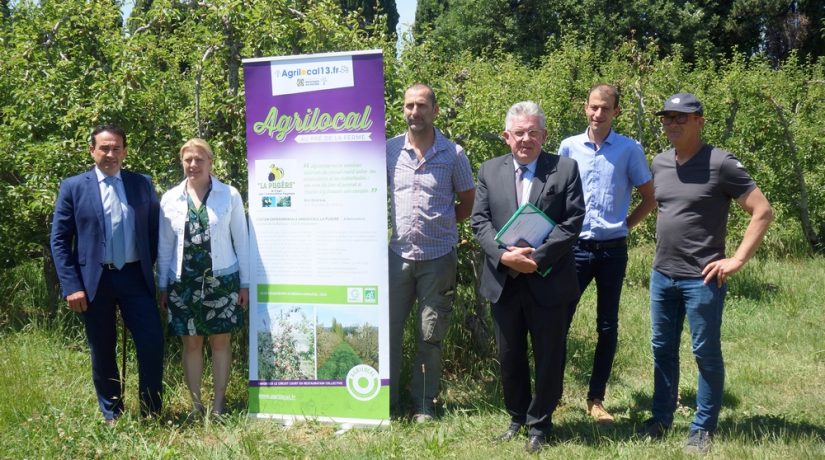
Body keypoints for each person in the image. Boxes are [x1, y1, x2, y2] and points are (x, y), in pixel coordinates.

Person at [639, 93, 773, 454]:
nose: (673, 122)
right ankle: (661, 418)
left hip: (703, 278)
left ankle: (702, 427)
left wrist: (737, 259)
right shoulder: (660, 162)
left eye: (682, 117)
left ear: (699, 121)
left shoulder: (721, 163)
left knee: (705, 352)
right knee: (662, 348)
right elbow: (657, 205)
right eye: (668, 117)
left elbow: (762, 211)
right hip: (662, 274)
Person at [472, 101, 584, 453]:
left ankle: (541, 424)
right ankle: (517, 417)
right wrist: (505, 256)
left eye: (533, 132)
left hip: (547, 278)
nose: (526, 139)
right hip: (505, 280)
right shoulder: (489, 170)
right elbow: (480, 222)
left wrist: (535, 258)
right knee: (510, 355)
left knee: (550, 354)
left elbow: (572, 222)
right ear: (507, 136)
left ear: (544, 135)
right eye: (519, 133)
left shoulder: (564, 169)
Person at [50, 124, 164, 425]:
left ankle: (151, 412)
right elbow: (59, 240)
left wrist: (148, 266)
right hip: (93, 282)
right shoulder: (74, 187)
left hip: (134, 277)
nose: (110, 154)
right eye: (104, 148)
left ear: (125, 151)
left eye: (116, 148)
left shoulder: (142, 184)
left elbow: (155, 233)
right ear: (92, 150)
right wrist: (71, 285)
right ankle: (112, 413)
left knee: (152, 341)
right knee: (102, 347)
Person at [558, 83, 656, 423]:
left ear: (616, 112)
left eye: (605, 108)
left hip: (613, 251)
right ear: (585, 108)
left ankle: (596, 399)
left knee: (607, 326)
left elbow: (649, 196)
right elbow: (557, 197)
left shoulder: (629, 150)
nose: (598, 114)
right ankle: (553, 394)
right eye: (593, 107)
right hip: (575, 250)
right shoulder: (569, 147)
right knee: (559, 321)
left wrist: (625, 225)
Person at [386, 83, 476, 422]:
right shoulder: (389, 151)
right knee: (390, 332)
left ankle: (424, 404)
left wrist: (442, 225)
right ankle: (388, 403)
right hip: (398, 257)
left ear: (435, 110)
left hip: (439, 259)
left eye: (422, 106)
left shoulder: (453, 154)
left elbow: (468, 201)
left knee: (430, 334)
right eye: (409, 105)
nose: (414, 112)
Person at [157, 138, 249, 417]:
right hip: (183, 282)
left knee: (221, 342)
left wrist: (245, 283)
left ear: (210, 162)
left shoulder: (229, 195)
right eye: (188, 160)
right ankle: (197, 407)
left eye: (199, 159)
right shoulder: (170, 198)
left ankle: (219, 407)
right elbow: (165, 246)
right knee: (191, 343)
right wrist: (162, 284)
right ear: (182, 163)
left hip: (222, 280)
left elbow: (242, 241)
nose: (193, 165)